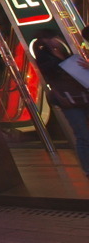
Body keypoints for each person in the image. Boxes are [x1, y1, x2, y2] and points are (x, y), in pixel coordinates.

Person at [33, 28, 89, 177]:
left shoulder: (65, 53)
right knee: (83, 134)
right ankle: (87, 168)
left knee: (82, 134)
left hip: (78, 96)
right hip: (71, 98)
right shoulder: (47, 58)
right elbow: (52, 78)